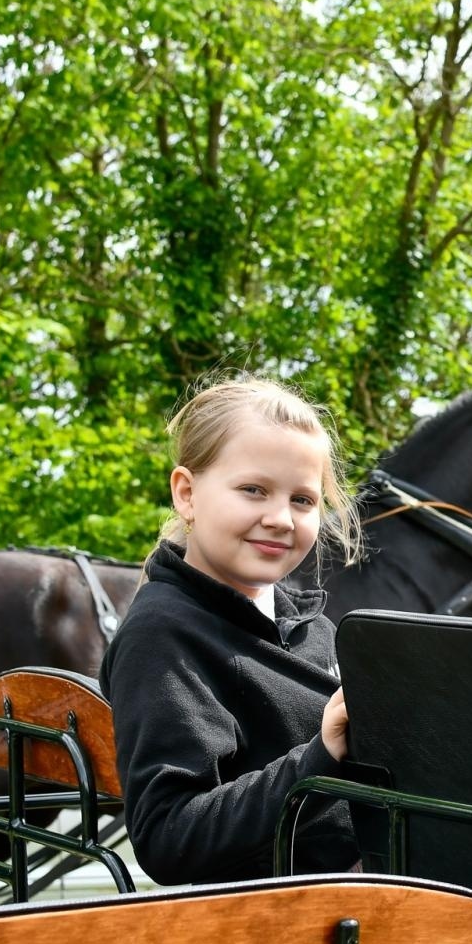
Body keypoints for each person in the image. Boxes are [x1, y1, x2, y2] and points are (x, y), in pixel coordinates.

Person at [100, 375, 364, 885]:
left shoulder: (314, 627)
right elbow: (169, 838)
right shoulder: (163, 635)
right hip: (293, 918)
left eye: (303, 500)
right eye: (253, 490)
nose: (281, 518)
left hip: (388, 878)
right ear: (187, 493)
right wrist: (320, 756)